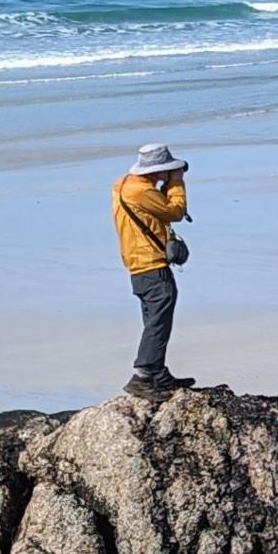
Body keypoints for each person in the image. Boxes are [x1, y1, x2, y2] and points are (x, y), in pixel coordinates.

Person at [113, 143, 192, 393]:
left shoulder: (124, 184)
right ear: (158, 170)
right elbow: (176, 212)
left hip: (137, 264)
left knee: (153, 318)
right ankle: (144, 375)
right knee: (159, 321)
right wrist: (176, 184)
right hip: (151, 264)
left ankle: (158, 373)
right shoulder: (142, 193)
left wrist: (165, 182)